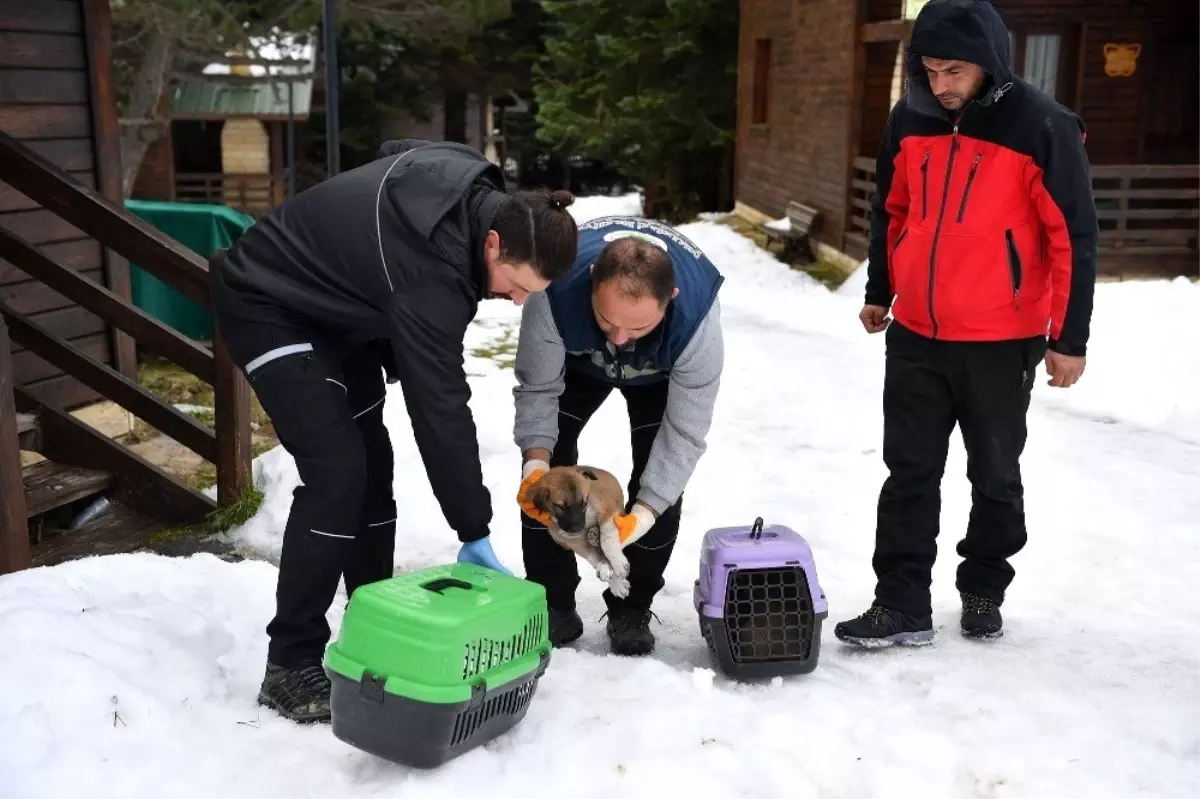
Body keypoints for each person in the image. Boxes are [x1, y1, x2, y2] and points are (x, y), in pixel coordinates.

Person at [211, 138, 579, 722]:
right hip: (267, 299)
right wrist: (473, 526)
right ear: (493, 243)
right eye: (516, 284)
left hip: (343, 312)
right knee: (337, 474)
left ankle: (370, 624)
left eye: (530, 295)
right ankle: (290, 660)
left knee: (373, 469)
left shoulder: (472, 180)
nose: (514, 302)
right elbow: (441, 410)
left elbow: (394, 150)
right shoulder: (431, 278)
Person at [834, 0, 1098, 648]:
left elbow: (1074, 237)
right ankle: (900, 603)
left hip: (1002, 339)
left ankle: (983, 583)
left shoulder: (1041, 125)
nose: (942, 84)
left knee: (996, 472)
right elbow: (890, 209)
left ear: (988, 62)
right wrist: (879, 287)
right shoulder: (912, 115)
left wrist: (1070, 339)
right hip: (917, 332)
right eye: (930, 70)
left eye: (954, 70)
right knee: (909, 472)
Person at [512, 215, 724, 656]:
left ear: (672, 300)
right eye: (607, 320)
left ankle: (632, 605)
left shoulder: (696, 324)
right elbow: (538, 390)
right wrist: (535, 465)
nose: (622, 338)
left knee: (658, 473)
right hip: (579, 363)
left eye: (638, 327)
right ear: (591, 281)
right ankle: (552, 603)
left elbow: (683, 437)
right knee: (546, 481)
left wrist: (641, 516)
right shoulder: (552, 293)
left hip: (657, 375)